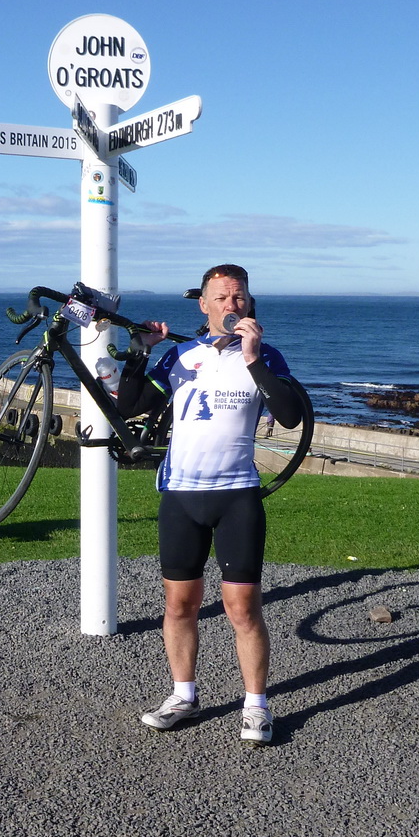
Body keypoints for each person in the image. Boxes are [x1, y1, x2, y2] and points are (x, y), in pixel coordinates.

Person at [116, 264, 303, 746]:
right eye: (220, 297)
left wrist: (254, 357)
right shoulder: (179, 355)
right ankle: (183, 695)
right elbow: (128, 405)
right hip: (181, 495)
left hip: (237, 495)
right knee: (180, 604)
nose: (230, 305)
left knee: (242, 608)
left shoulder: (265, 356)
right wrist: (139, 354)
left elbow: (288, 414)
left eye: (238, 297)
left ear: (249, 303)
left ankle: (256, 706)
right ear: (203, 304)